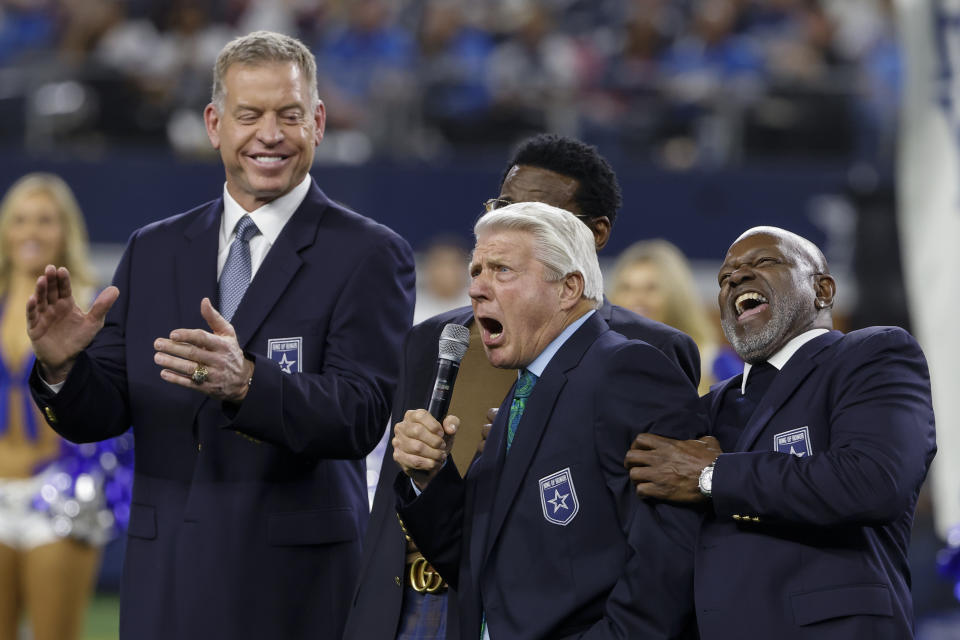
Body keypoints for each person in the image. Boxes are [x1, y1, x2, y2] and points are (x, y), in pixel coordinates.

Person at [25, 31, 415, 640]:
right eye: (248, 115)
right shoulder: (153, 249)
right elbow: (103, 412)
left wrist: (249, 384)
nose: (269, 134)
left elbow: (362, 414)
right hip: (166, 580)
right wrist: (62, 370)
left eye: (289, 115)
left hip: (296, 588)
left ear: (317, 122)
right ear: (214, 124)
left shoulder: (369, 253)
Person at [344, 133, 700, 640]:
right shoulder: (521, 382)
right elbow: (480, 551)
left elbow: (664, 558)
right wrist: (429, 477)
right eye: (476, 269)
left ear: (572, 278)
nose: (476, 287)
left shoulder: (632, 364)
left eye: (502, 269)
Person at [625, 226, 936, 639]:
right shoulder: (703, 409)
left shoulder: (871, 355)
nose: (735, 277)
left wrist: (712, 477)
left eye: (764, 262)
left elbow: (875, 480)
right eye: (725, 277)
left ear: (822, 290)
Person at [0, 173, 131, 640]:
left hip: (59, 492)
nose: (31, 231)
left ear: (65, 230)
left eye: (45, 220)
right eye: (20, 220)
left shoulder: (90, 309)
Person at [608, 238, 741, 394]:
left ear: (676, 297)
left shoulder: (713, 362)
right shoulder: (602, 362)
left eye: (651, 288)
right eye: (627, 288)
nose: (637, 298)